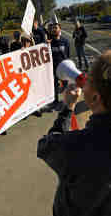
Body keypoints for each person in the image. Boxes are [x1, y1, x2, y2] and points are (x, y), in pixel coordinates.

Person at [37, 49, 111, 216]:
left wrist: (67, 108)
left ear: (95, 98)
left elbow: (45, 146)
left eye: (90, 79)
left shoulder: (78, 145)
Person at [50, 23, 70, 110]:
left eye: (56, 28)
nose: (54, 29)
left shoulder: (65, 41)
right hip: (53, 68)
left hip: (63, 68)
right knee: (54, 85)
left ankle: (66, 101)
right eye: (53, 28)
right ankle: (55, 101)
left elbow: (68, 55)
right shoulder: (49, 42)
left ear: (60, 29)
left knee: (65, 85)